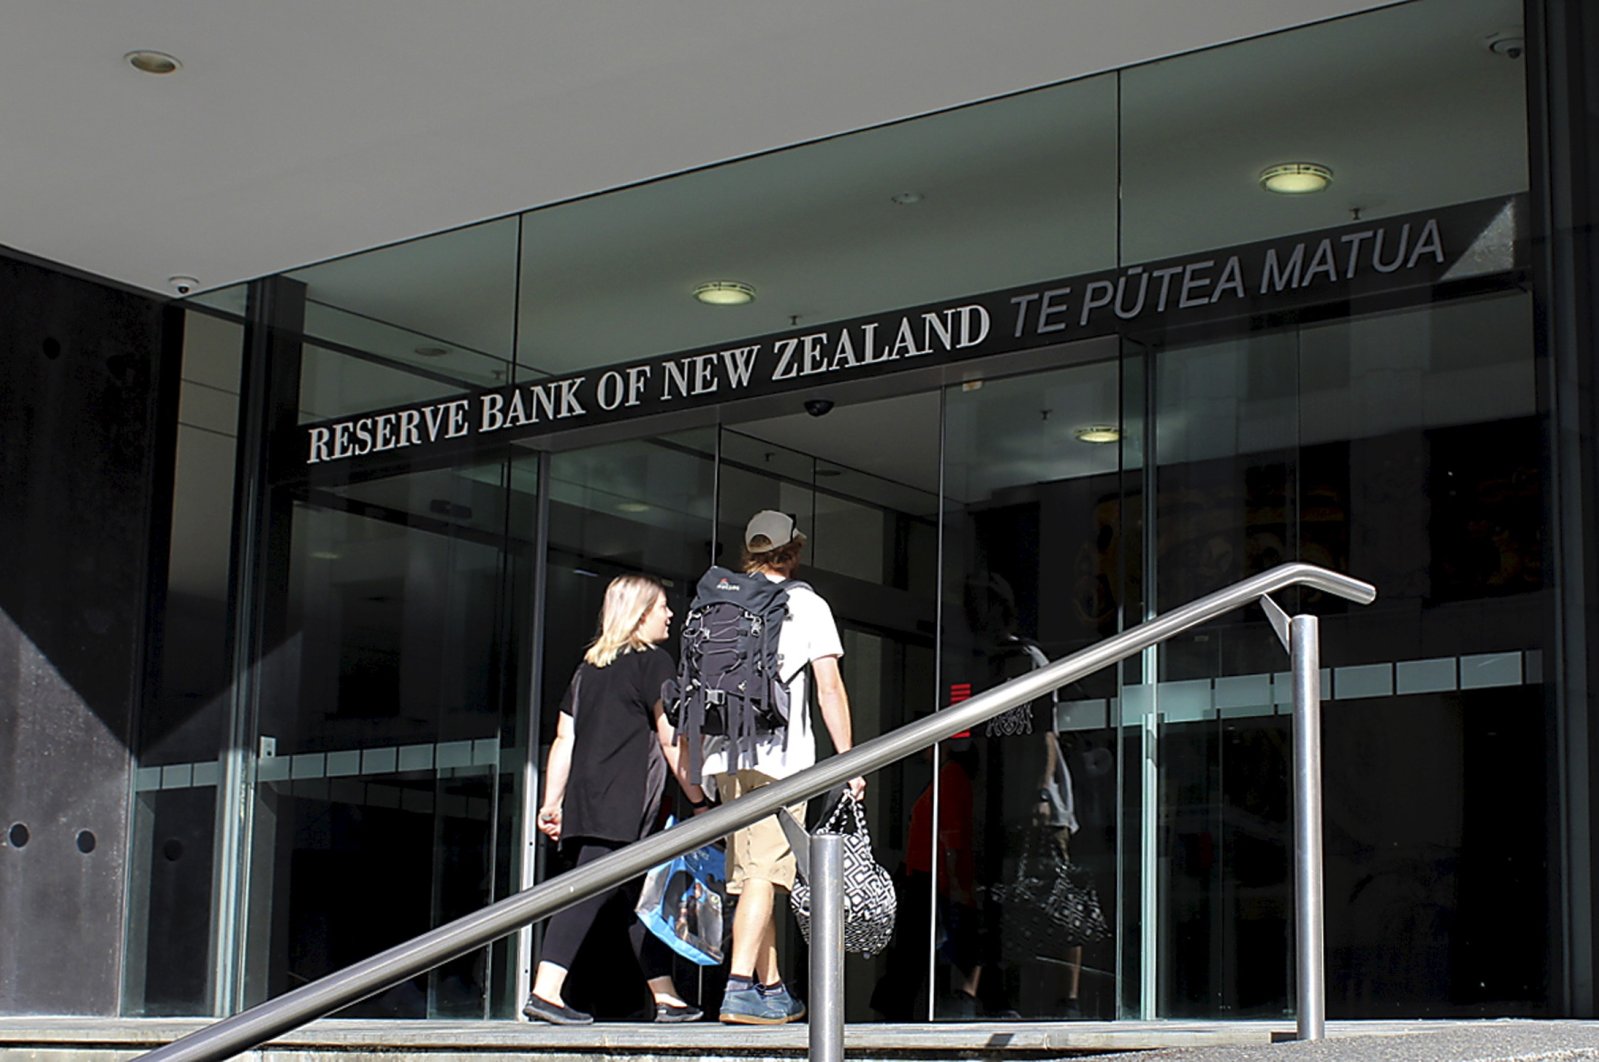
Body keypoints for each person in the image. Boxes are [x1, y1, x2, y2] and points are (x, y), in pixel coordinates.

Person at [522, 573, 712, 1026]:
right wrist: (701, 800)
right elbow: (670, 740)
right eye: (663, 606)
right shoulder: (653, 663)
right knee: (587, 892)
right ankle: (545, 991)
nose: (670, 614)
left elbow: (564, 737)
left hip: (588, 802)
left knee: (635, 899)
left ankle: (666, 997)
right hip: (623, 804)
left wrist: (552, 802)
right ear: (641, 613)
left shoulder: (589, 669)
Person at [701, 510, 866, 1025]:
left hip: (723, 753)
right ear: (793, 551)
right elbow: (829, 688)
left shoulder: (720, 597)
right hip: (779, 758)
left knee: (751, 872)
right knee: (768, 874)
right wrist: (848, 760)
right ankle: (737, 988)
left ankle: (770, 989)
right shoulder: (807, 603)